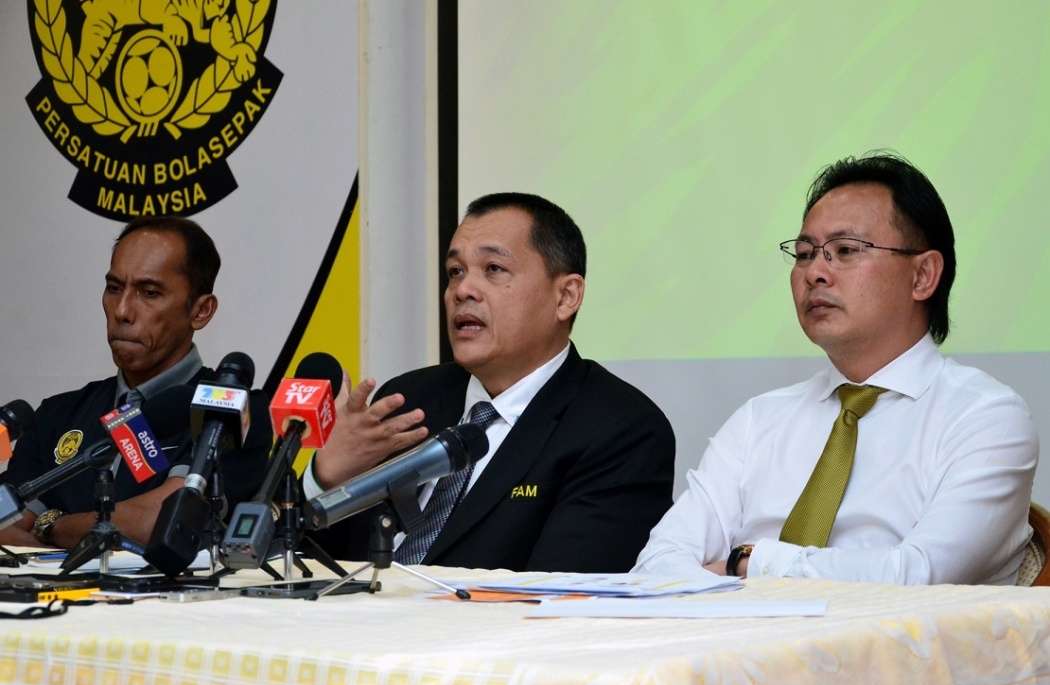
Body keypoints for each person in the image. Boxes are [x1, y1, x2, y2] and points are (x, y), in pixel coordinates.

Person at [635, 153, 1038, 585]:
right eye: (805, 254)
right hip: (740, 650)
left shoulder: (984, 417)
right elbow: (657, 564)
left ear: (923, 275)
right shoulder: (759, 420)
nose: (815, 273)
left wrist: (750, 562)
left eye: (845, 251)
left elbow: (921, 576)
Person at [307, 193, 675, 572]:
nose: (463, 290)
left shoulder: (620, 430)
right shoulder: (407, 402)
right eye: (455, 272)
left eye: (494, 269)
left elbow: (562, 597)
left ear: (566, 296)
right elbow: (307, 569)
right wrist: (327, 478)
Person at [0, 216, 270, 549]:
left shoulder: (230, 411)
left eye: (149, 292)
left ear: (201, 311)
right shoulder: (57, 414)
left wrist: (49, 525)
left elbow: (158, 520)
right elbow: (5, 524)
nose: (123, 310)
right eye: (114, 288)